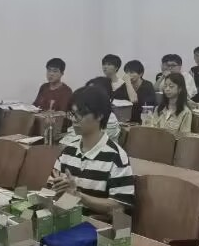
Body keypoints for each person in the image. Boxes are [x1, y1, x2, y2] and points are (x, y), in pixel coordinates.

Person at [49, 85, 135, 215]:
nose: (73, 120)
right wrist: (59, 190)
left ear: (99, 116)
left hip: (95, 224)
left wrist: (78, 196)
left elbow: (118, 207)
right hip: (67, 217)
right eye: (72, 114)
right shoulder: (68, 151)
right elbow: (52, 192)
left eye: (80, 114)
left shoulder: (116, 156)